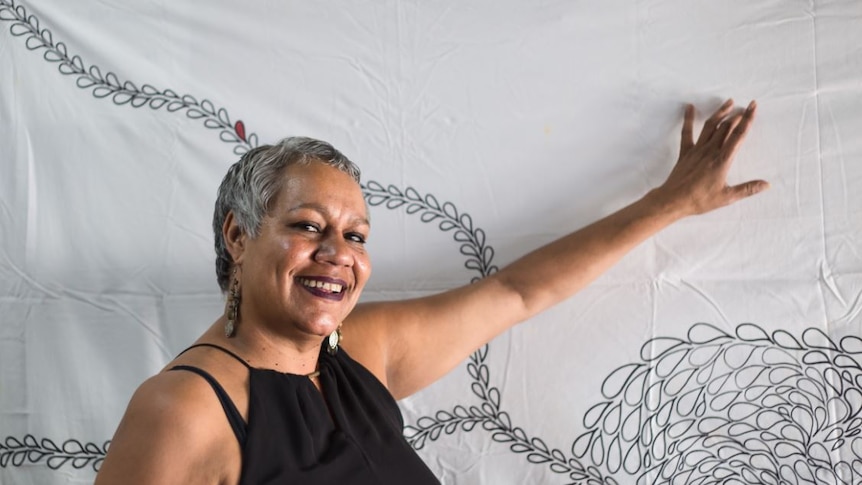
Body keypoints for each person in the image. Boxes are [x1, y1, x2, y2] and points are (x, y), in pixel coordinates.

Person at [95, 99, 767, 484]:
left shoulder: (357, 353)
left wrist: (670, 203)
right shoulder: (183, 407)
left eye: (357, 235)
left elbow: (517, 292)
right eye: (307, 226)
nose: (338, 254)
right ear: (238, 236)